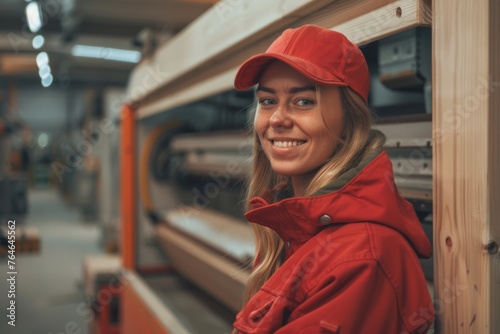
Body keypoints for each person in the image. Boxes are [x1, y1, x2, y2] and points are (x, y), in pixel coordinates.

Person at [231, 25, 434, 333]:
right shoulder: (288, 229)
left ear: (349, 121)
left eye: (303, 102)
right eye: (268, 101)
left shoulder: (363, 257)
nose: (277, 119)